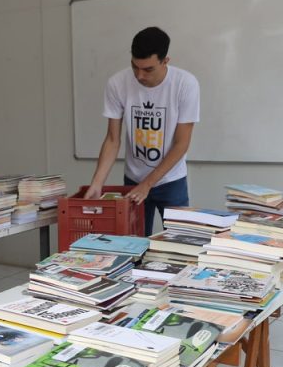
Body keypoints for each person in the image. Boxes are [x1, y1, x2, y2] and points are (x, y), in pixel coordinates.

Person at [84, 27, 200, 235]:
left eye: (148, 69)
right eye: (134, 66)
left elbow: (182, 143)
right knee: (134, 246)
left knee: (180, 245)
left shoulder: (185, 84)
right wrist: (97, 183)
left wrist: (148, 184)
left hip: (171, 181)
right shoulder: (117, 84)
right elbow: (112, 140)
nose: (139, 75)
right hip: (133, 180)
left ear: (166, 61)